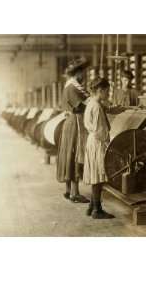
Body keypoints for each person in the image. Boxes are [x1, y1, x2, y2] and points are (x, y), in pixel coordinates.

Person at [56, 57, 90, 203]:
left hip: (69, 123)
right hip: (76, 123)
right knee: (76, 154)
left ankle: (68, 190)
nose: (85, 76)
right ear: (78, 73)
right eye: (84, 73)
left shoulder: (68, 86)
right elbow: (80, 106)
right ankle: (75, 193)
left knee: (69, 154)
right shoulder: (73, 88)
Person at [83, 77, 115, 219]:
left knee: (95, 174)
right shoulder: (96, 107)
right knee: (98, 177)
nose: (108, 94)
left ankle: (91, 206)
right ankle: (98, 210)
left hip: (93, 141)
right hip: (98, 142)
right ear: (100, 91)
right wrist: (109, 143)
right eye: (107, 91)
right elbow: (100, 130)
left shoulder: (91, 103)